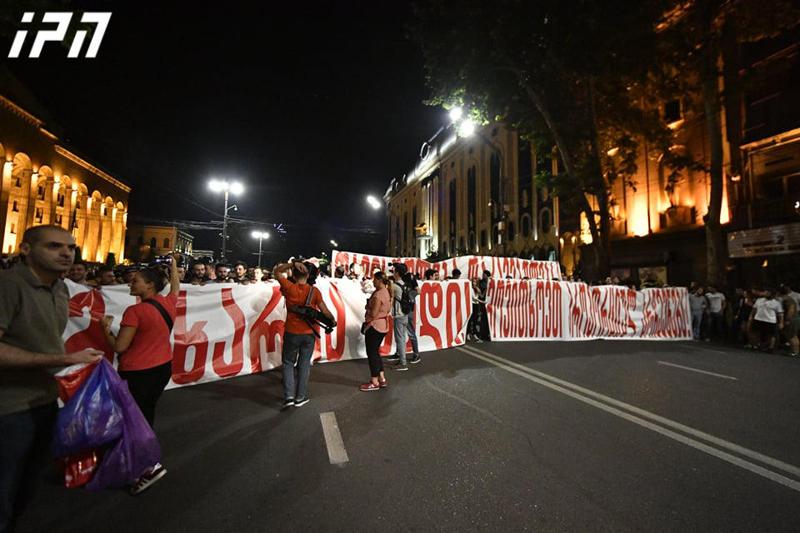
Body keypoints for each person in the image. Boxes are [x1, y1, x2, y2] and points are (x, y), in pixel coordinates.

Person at [0, 226, 104, 531]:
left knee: (25, 490)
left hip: (44, 401)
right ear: (26, 249)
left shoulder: (60, 288)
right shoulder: (9, 285)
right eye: (54, 246)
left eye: (71, 248)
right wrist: (63, 359)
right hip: (8, 408)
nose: (66, 253)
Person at [100, 254, 181, 495]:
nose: (130, 284)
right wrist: (174, 266)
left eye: (135, 281)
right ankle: (141, 461)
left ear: (149, 285)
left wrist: (105, 329)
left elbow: (119, 347)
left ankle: (147, 467)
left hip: (138, 373)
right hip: (162, 369)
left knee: (134, 421)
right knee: (145, 416)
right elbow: (175, 286)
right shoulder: (168, 303)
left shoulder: (134, 312)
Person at [273, 261, 334, 408]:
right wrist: (332, 320)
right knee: (304, 364)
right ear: (308, 275)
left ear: (293, 274)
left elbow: (276, 271)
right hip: (308, 333)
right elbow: (325, 311)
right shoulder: (315, 292)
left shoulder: (289, 287)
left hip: (291, 332)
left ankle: (288, 396)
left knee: (288, 363)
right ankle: (300, 397)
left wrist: (291, 264)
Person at [360, 271, 392, 391]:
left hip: (374, 325)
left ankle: (374, 381)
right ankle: (381, 378)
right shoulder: (386, 292)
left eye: (374, 279)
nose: (373, 281)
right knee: (376, 352)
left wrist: (368, 308)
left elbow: (373, 313)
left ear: (379, 280)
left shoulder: (378, 294)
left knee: (372, 353)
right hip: (383, 325)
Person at [388, 264, 421, 371]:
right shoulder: (406, 285)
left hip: (399, 314)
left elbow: (390, 297)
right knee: (403, 337)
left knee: (400, 339)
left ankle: (403, 363)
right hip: (406, 313)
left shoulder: (394, 285)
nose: (393, 272)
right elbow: (417, 292)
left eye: (394, 270)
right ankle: (403, 357)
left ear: (397, 272)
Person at [747, 288, 784, 353]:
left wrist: (781, 322)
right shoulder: (759, 300)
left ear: (772, 294)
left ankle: (771, 348)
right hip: (758, 318)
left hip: (770, 320)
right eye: (766, 292)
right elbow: (754, 309)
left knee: (771, 335)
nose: (766, 294)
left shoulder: (776, 303)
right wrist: (751, 316)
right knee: (756, 332)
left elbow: (780, 314)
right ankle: (757, 345)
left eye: (768, 293)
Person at [779, 286, 799, 356]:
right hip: (794, 318)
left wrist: (787, 319)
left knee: (791, 336)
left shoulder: (787, 299)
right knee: (793, 335)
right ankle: (795, 351)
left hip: (791, 319)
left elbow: (791, 310)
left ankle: (795, 352)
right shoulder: (788, 298)